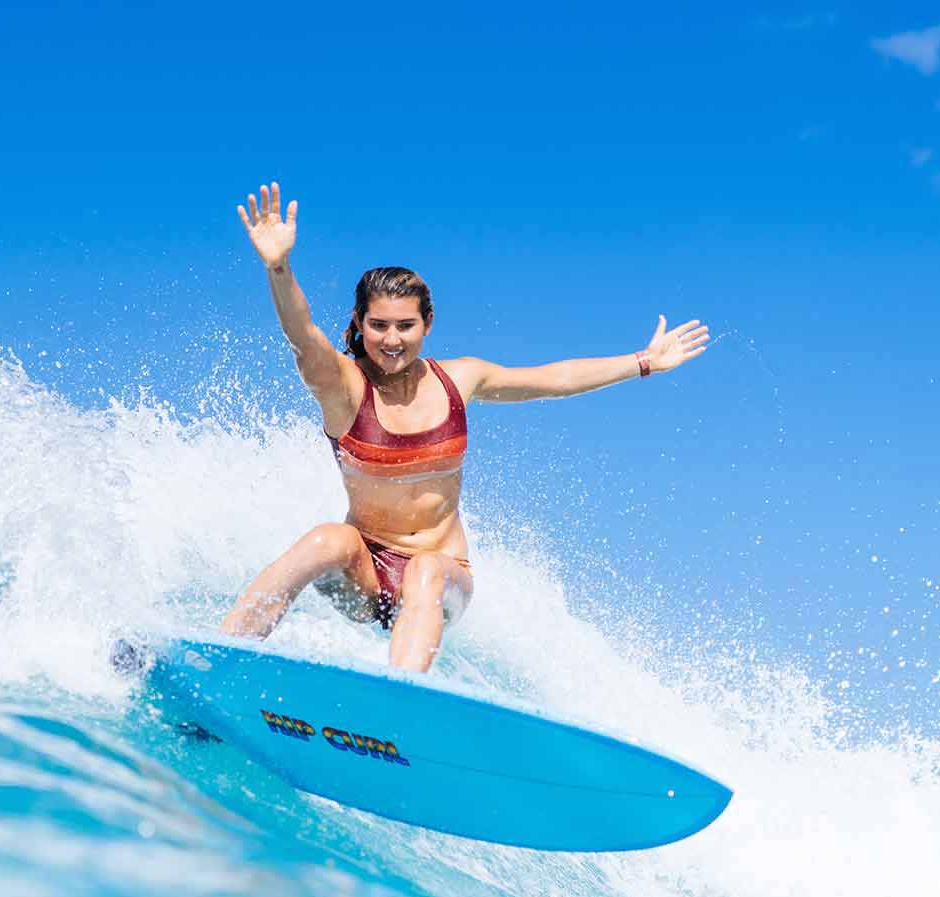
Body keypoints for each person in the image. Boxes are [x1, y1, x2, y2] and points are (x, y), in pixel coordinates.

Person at [219, 182, 710, 671]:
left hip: (441, 577)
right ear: (359, 324)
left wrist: (643, 361)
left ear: (427, 324)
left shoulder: (461, 379)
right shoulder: (342, 388)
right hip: (365, 574)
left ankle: (400, 702)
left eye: (405, 326)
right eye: (379, 325)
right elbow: (302, 335)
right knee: (326, 539)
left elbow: (551, 379)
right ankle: (221, 654)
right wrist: (278, 267)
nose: (392, 340)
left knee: (427, 570)